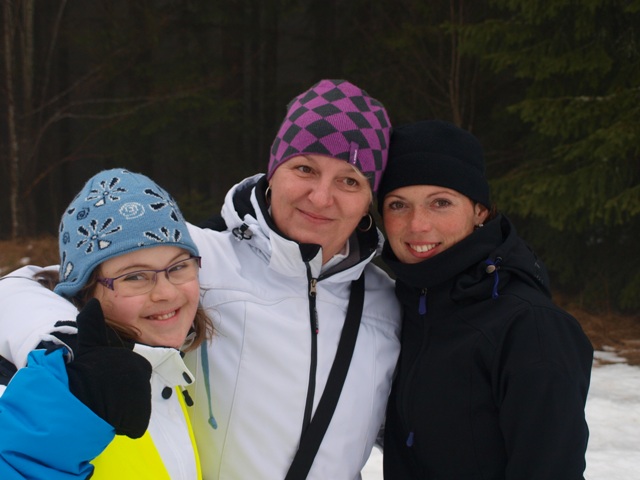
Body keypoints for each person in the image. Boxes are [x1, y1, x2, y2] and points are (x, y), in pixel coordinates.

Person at [0, 79, 401, 479]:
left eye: (350, 180)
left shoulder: (387, 304)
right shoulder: (195, 257)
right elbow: (25, 287)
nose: (321, 196)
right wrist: (67, 346)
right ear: (273, 172)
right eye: (305, 169)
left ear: (369, 199)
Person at [377, 120, 593, 479]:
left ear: (480, 210)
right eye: (398, 204)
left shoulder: (530, 326)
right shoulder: (400, 307)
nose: (417, 225)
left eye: (441, 203)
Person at [0, 168, 214, 479]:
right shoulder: (40, 387)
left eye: (179, 267)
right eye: (135, 276)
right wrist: (69, 408)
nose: (166, 293)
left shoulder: (173, 367)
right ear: (85, 291)